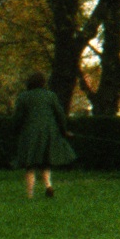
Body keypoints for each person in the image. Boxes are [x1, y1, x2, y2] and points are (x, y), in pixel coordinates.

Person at [12, 72, 76, 200]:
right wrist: (64, 131)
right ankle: (48, 185)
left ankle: (30, 195)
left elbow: (17, 117)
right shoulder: (50, 96)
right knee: (46, 162)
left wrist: (14, 130)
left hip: (30, 133)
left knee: (30, 165)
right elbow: (60, 114)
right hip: (49, 132)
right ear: (43, 83)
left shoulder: (24, 97)